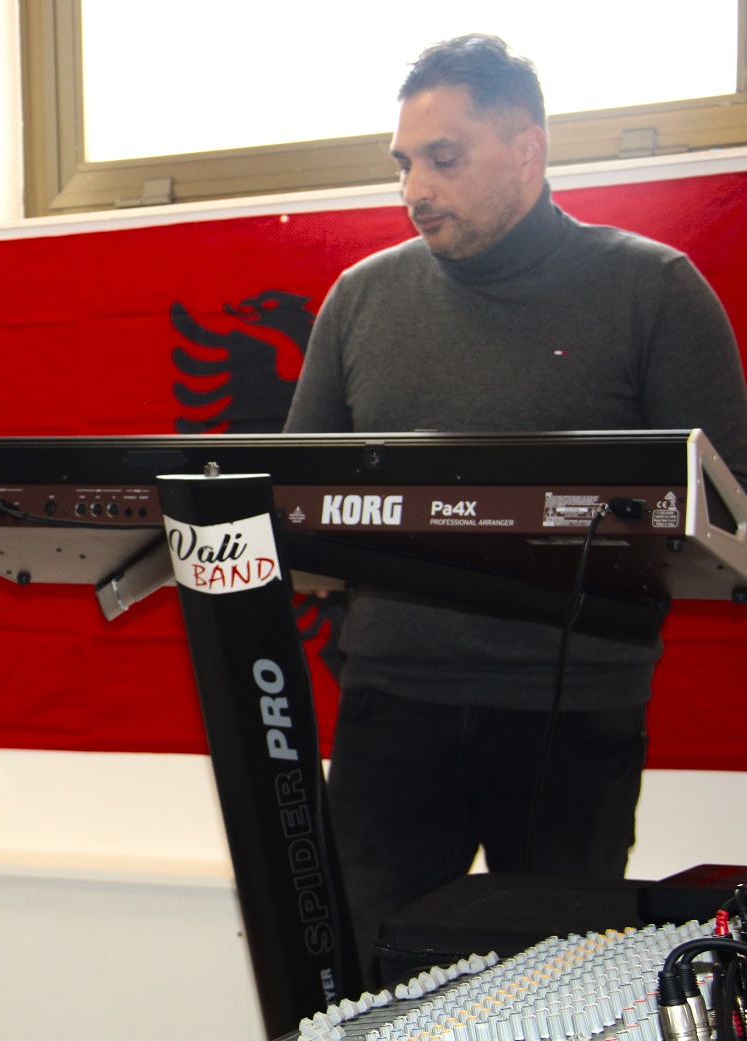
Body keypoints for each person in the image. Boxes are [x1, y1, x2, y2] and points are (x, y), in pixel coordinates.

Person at [284, 34, 747, 983]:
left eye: (443, 159)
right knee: (360, 985)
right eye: (404, 163)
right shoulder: (360, 299)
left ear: (527, 150)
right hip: (391, 709)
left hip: (570, 719)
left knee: (556, 991)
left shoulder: (653, 291)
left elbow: (729, 513)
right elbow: (297, 502)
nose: (414, 188)